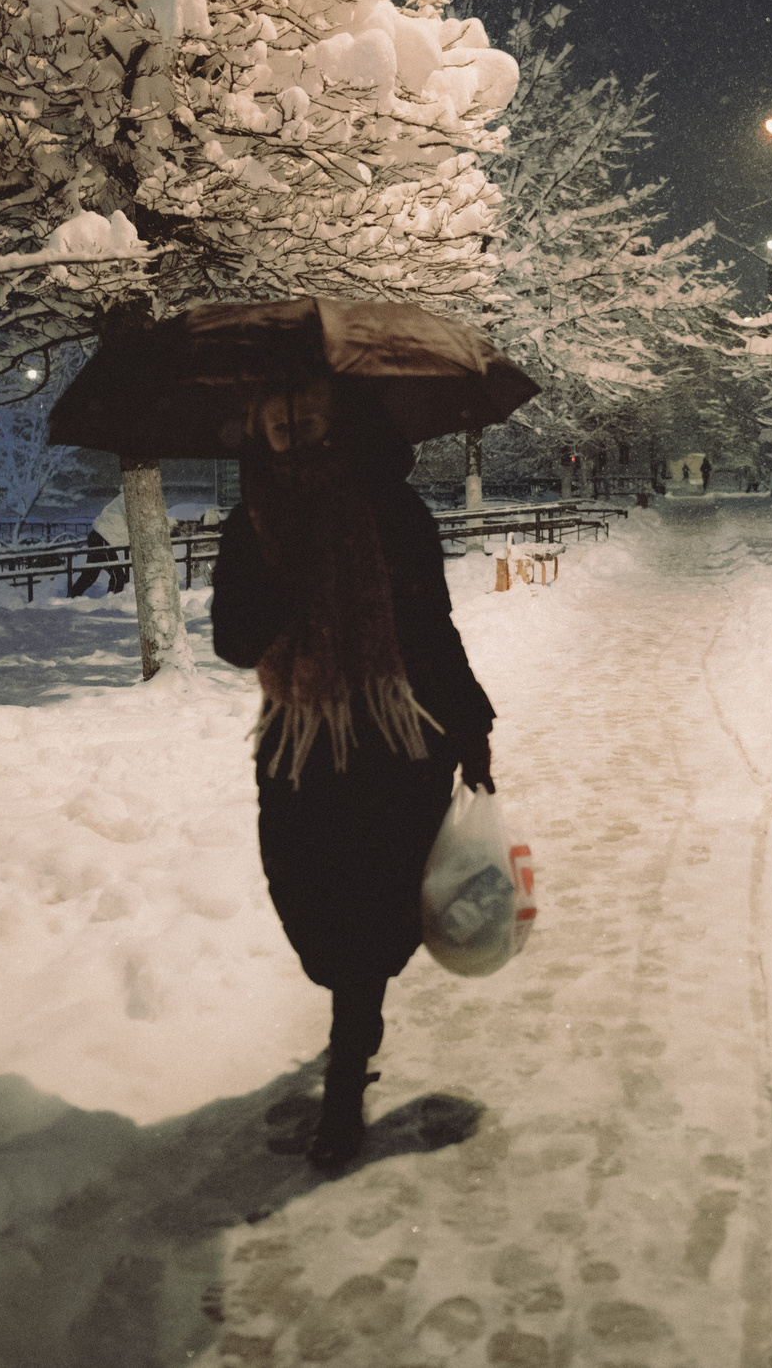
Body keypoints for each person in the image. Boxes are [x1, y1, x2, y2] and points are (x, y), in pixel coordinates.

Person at [212, 378, 496, 1170]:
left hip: (395, 736)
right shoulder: (250, 524)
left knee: (369, 910)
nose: (293, 433)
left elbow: (431, 623)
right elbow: (235, 641)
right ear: (259, 437)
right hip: (300, 740)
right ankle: (353, 1008)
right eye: (277, 423)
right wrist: (284, 570)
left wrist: (470, 722)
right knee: (304, 898)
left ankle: (345, 1076)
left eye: (304, 417)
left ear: (336, 425)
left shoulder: (393, 512)